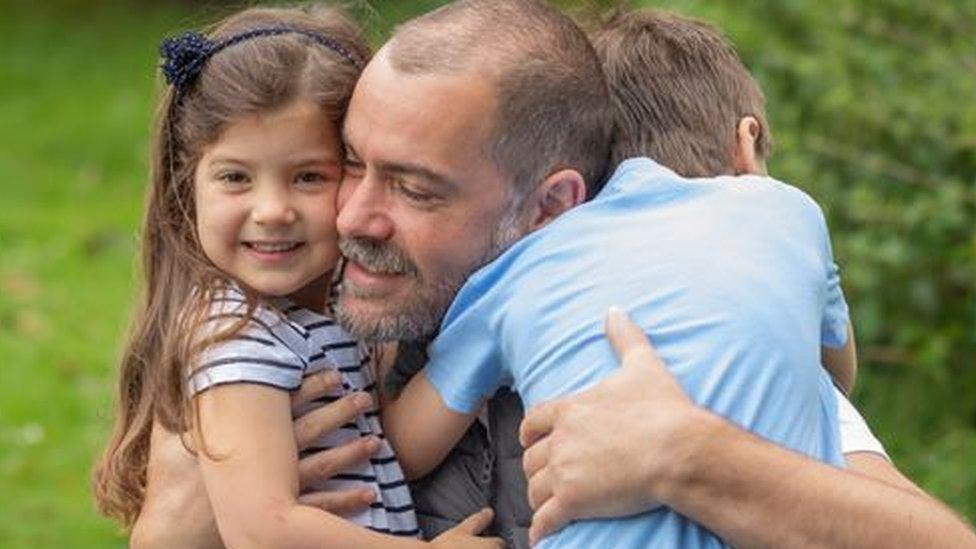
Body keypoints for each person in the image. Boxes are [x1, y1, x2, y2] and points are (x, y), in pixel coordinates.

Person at [129, 2, 976, 548]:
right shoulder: (288, 346)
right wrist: (196, 499)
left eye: (417, 187)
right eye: (349, 163)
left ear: (550, 209)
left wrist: (691, 455)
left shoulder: (656, 341)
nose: (351, 218)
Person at [379, 3, 859, 546]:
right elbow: (839, 373)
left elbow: (408, 449)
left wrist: (374, 353)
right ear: (746, 142)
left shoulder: (522, 268)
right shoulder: (789, 212)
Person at [91, 5, 501, 548]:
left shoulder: (318, 314)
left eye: (308, 176)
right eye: (236, 177)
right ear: (187, 186)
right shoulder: (235, 334)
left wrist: (489, 337)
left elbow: (394, 449)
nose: (272, 210)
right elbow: (260, 530)